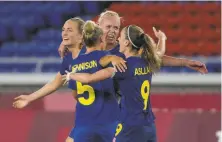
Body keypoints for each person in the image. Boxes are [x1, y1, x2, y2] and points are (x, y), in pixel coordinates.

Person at [63, 24, 165, 142]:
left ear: (126, 43)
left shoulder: (123, 67)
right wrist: (162, 39)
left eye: (120, 37)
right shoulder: (147, 61)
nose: (118, 39)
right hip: (149, 126)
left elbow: (89, 78)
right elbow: (159, 53)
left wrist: (71, 75)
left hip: (130, 126)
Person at [59, 10, 207, 74]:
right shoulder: (87, 46)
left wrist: (186, 62)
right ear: (99, 26)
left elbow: (157, 58)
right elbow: (75, 31)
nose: (112, 31)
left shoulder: (125, 50)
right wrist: (65, 42)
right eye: (108, 27)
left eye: (116, 28)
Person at [12, 17, 86, 142]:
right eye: (63, 30)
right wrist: (30, 98)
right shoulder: (68, 60)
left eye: (69, 30)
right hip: (84, 117)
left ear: (81, 36)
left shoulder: (91, 55)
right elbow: (55, 83)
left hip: (101, 116)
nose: (65, 33)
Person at [66, 20, 119, 142]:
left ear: (84, 41)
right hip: (108, 121)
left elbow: (75, 95)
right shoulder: (105, 56)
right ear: (101, 38)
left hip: (83, 122)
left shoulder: (75, 63)